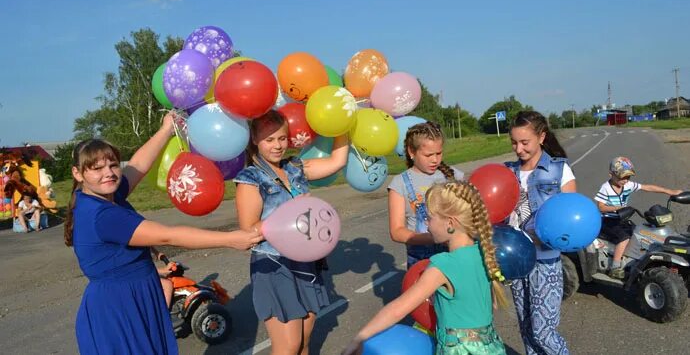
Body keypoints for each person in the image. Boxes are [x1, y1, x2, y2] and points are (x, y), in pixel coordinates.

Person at [66, 113, 263, 355]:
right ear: (78, 174)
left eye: (113, 164)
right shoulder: (103, 215)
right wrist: (230, 239)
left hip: (131, 293)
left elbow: (137, 166)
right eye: (97, 168)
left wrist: (166, 130)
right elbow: (168, 236)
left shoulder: (101, 196)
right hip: (121, 304)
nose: (108, 172)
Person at [342, 180, 508, 355]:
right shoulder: (483, 253)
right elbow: (492, 305)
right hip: (492, 347)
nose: (426, 224)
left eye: (429, 218)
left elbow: (398, 309)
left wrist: (360, 338)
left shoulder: (443, 265)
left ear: (450, 223)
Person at [234, 110, 349, 355]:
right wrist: (292, 215)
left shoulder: (295, 167)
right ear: (254, 140)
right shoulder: (250, 178)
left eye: (282, 138)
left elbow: (337, 161)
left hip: (306, 262)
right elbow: (248, 232)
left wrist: (344, 120)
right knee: (288, 346)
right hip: (274, 265)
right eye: (270, 140)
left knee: (304, 343)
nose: (278, 146)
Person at [504, 110, 576, 355]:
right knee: (526, 329)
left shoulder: (559, 170)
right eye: (514, 142)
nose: (518, 149)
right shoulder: (507, 172)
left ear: (542, 137)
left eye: (525, 142)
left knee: (543, 331)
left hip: (545, 261)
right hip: (516, 260)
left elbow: (570, 216)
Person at [387, 121, 464, 268]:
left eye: (439, 153)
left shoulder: (455, 176)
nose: (435, 160)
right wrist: (434, 237)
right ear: (411, 152)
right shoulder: (400, 183)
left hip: (453, 257)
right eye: (428, 155)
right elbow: (396, 232)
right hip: (420, 262)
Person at [594, 156, 682, 278]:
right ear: (611, 174)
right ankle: (615, 267)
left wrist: (670, 192)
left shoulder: (628, 185)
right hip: (608, 221)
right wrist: (617, 208)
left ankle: (630, 260)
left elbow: (648, 187)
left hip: (622, 218)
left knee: (638, 233)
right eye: (622, 177)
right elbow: (601, 207)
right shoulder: (606, 188)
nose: (625, 180)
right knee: (624, 238)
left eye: (628, 177)